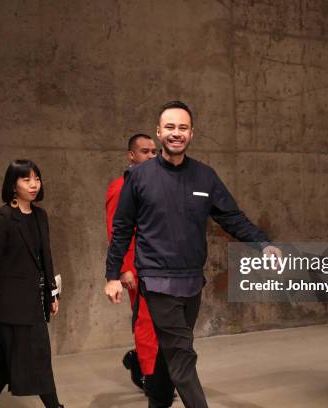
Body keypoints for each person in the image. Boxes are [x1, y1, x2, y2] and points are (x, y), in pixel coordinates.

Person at [104, 101, 281, 408]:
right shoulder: (140, 178)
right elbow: (121, 228)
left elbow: (231, 217)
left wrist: (262, 243)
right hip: (156, 281)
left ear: (192, 134)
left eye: (182, 128)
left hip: (191, 282)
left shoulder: (205, 177)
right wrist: (112, 275)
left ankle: (157, 402)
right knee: (183, 355)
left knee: (169, 351)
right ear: (159, 132)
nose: (176, 133)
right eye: (170, 127)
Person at [0, 160, 62, 408]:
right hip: (10, 302)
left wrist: (52, 294)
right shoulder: (2, 217)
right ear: (13, 185)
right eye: (26, 179)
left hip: (35, 300)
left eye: (37, 178)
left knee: (9, 355)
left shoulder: (40, 216)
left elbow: (46, 259)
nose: (34, 184)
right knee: (36, 356)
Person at [106, 134, 175, 405]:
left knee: (163, 324)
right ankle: (150, 377)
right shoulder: (119, 187)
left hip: (163, 267)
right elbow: (116, 232)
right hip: (137, 268)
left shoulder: (159, 185)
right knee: (146, 322)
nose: (151, 155)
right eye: (144, 151)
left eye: (153, 151)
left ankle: (141, 362)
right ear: (131, 156)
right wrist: (123, 268)